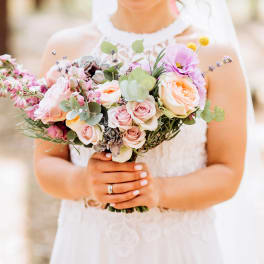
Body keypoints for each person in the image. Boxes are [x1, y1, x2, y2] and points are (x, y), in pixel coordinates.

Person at [34, 0, 248, 263]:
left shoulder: (215, 56)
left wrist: (159, 191)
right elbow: (46, 162)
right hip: (91, 245)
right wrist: (84, 182)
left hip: (177, 247)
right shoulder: (65, 49)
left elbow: (227, 173)